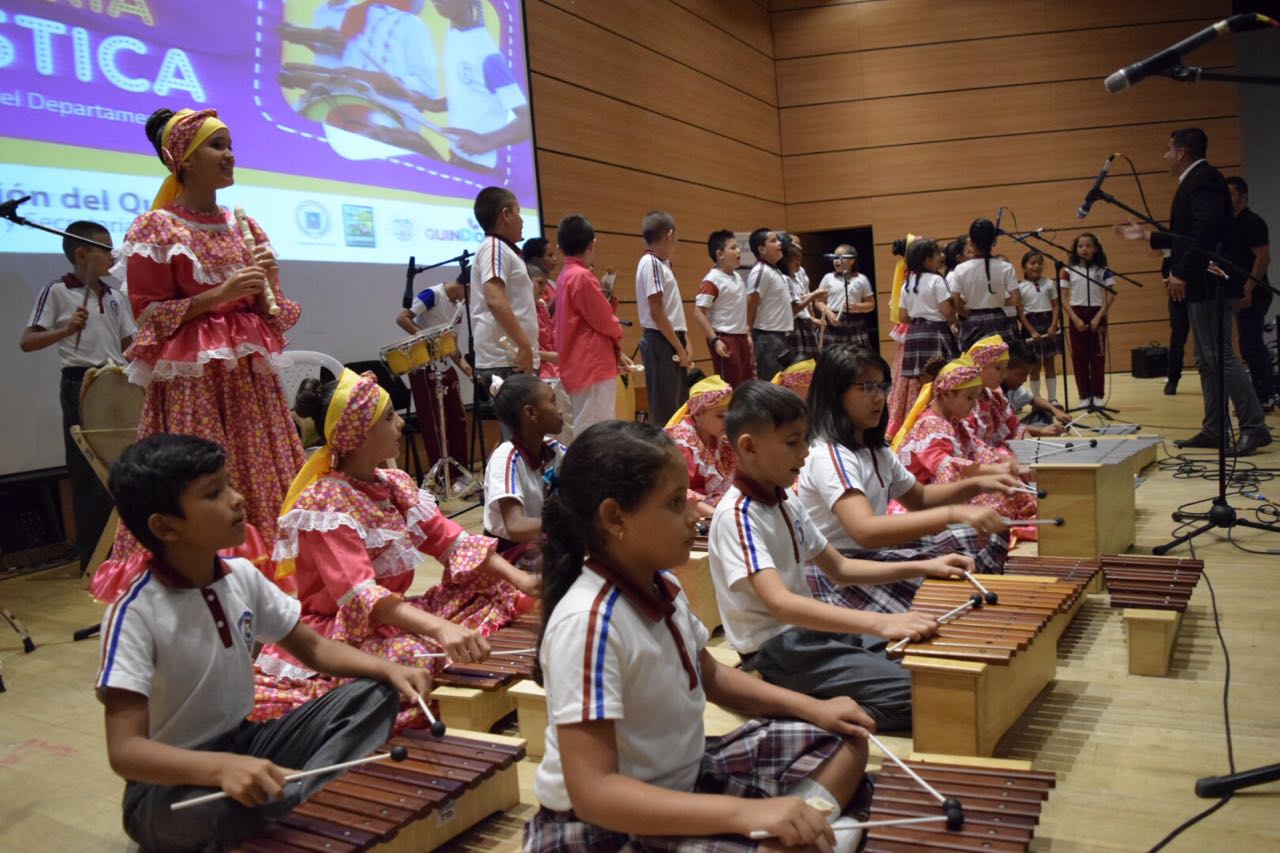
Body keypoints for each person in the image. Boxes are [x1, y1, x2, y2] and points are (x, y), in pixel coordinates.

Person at [526, 419, 875, 853]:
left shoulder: (662, 584)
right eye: (675, 503)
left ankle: (803, 832)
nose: (694, 515)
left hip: (686, 775)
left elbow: (708, 674)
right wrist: (747, 814)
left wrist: (816, 709)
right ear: (615, 517)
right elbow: (595, 793)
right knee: (798, 836)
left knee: (848, 738)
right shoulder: (589, 622)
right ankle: (804, 837)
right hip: (607, 827)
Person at [95, 433, 431, 852]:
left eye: (230, 484)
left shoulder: (241, 577)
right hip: (167, 791)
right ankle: (304, 799)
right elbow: (125, 751)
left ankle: (294, 802)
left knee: (373, 694)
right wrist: (220, 769)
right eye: (214, 493)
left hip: (247, 741)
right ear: (165, 527)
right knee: (213, 815)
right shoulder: (134, 615)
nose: (237, 499)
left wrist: (390, 670)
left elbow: (314, 648)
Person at [92, 108, 306, 601]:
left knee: (263, 469)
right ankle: (207, 585)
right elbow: (147, 317)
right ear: (183, 161)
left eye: (230, 143)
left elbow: (269, 316)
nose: (229, 154)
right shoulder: (157, 228)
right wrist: (216, 295)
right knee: (204, 473)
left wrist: (266, 281)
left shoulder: (242, 224)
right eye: (216, 145)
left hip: (247, 379)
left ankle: (275, 588)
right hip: (195, 381)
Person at [253, 370, 536, 728]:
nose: (401, 423)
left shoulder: (394, 484)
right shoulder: (325, 503)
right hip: (341, 633)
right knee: (416, 659)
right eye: (389, 417)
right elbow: (360, 596)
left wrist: (521, 579)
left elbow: (450, 539)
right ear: (359, 434)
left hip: (390, 618)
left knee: (498, 587)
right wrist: (439, 629)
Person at [708, 380, 969, 732]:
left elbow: (841, 568)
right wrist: (879, 622)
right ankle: (789, 704)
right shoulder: (737, 515)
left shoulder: (786, 500)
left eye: (805, 438)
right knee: (922, 695)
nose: (804, 452)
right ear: (749, 446)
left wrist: (928, 566)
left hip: (811, 634)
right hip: (779, 651)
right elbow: (781, 604)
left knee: (935, 664)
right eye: (792, 442)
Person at [796, 345, 1015, 614]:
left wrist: (977, 485)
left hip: (872, 555)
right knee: (940, 587)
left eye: (881, 387)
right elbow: (865, 531)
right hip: (840, 571)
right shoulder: (829, 456)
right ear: (834, 393)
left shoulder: (875, 448)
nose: (878, 398)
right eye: (866, 388)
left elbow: (920, 499)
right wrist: (956, 512)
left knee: (987, 534)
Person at [20, 220, 135, 572]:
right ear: (82, 253)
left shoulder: (115, 296)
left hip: (118, 382)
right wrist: (66, 329)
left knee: (127, 466)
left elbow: (129, 344)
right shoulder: (57, 291)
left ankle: (127, 549)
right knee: (88, 473)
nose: (113, 256)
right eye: (105, 249)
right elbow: (28, 341)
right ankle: (94, 558)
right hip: (80, 383)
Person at [894, 357, 1036, 523]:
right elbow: (946, 469)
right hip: (918, 503)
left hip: (938, 490)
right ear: (946, 394)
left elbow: (978, 449)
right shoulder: (930, 425)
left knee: (1007, 483)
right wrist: (993, 471)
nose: (974, 404)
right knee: (994, 502)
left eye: (975, 398)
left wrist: (1012, 466)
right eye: (969, 398)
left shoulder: (954, 421)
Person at [431, 0, 533, 170]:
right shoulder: (452, 33)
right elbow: (471, 95)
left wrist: (485, 141)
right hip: (456, 155)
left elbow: (527, 119)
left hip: (479, 167)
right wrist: (431, 104)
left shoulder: (486, 53)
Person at [553, 214, 629, 436]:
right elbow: (604, 321)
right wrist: (618, 331)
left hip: (578, 363)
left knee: (588, 424)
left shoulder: (564, 276)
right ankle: (592, 471)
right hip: (591, 363)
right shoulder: (582, 277)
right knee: (596, 429)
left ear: (560, 247)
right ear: (591, 244)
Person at [483, 374, 566, 571]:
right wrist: (571, 524)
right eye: (553, 401)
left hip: (540, 542)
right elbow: (515, 526)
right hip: (507, 557)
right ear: (531, 414)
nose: (560, 410)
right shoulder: (505, 458)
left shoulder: (553, 449)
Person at [395, 271, 472, 470]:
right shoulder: (432, 294)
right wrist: (427, 338)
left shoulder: (459, 307)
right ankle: (442, 477)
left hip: (445, 365)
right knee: (435, 426)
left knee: (459, 420)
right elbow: (403, 318)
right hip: (424, 368)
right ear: (468, 286)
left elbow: (452, 345)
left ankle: (461, 472)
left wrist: (467, 369)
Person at [470, 186, 539, 392]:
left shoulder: (502, 249)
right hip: (506, 359)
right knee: (523, 424)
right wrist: (524, 345)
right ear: (506, 215)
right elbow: (495, 299)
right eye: (518, 212)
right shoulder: (494, 247)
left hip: (512, 359)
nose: (522, 220)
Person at [889, 237, 956, 439]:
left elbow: (902, 316)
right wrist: (953, 319)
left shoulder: (907, 284)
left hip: (915, 335)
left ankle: (920, 425)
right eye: (937, 254)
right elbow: (946, 311)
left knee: (921, 384)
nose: (941, 257)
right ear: (927, 260)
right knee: (941, 379)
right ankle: (940, 423)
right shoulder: (937, 280)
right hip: (935, 333)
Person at [636, 210, 692, 428]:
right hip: (661, 342)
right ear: (670, 235)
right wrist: (679, 347)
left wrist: (685, 340)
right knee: (666, 413)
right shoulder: (650, 263)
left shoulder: (663, 264)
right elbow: (657, 312)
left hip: (671, 340)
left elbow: (672, 310)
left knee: (680, 407)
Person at [1227, 176, 1275, 413]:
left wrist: (1248, 287)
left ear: (1243, 197)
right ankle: (1263, 393)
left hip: (1255, 292)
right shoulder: (1229, 224)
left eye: (1231, 194)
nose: (1227, 198)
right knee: (1248, 345)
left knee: (1251, 344)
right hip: (1238, 291)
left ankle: (1265, 396)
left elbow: (1263, 257)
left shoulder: (1252, 222)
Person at [664, 374, 735, 518]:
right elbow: (677, 493)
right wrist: (720, 517)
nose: (728, 421)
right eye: (720, 416)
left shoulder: (720, 437)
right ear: (698, 414)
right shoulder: (682, 443)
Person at [1059, 233, 1114, 407]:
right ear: (1076, 249)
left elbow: (1111, 295)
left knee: (1098, 356)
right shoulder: (1068, 271)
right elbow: (1063, 297)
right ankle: (1084, 395)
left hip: (1097, 313)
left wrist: (1099, 317)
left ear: (1095, 249)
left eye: (1088, 246)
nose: (1084, 249)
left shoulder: (1103, 270)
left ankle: (1097, 394)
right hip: (1077, 313)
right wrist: (1074, 319)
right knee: (1079, 357)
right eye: (1080, 246)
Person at [694, 229, 754, 387]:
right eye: (733, 248)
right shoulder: (712, 280)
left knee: (747, 385)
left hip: (740, 338)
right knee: (730, 387)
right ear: (720, 254)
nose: (739, 251)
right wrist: (714, 340)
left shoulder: (738, 278)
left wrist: (746, 334)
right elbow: (699, 312)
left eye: (738, 247)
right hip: (724, 338)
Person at [949, 218, 1017, 348]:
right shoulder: (1006, 267)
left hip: (972, 322)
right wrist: (997, 301)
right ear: (993, 241)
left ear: (972, 243)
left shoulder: (961, 269)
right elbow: (1016, 299)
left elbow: (955, 302)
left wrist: (967, 311)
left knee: (975, 365)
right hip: (998, 318)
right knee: (1001, 364)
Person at [1015, 249, 1061, 402]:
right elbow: (1020, 313)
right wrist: (1032, 331)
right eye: (1032, 263)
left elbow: (1055, 306)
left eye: (1039, 263)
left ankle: (1053, 399)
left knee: (1050, 364)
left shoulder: (1049, 283)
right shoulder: (1020, 287)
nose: (1036, 266)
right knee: (1034, 366)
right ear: (1024, 266)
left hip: (1048, 324)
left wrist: (1054, 325)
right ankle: (1037, 400)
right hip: (1031, 325)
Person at [746, 227, 791, 381]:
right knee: (771, 385)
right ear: (762, 249)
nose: (779, 243)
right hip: (768, 339)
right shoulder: (761, 271)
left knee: (781, 384)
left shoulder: (775, 270)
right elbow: (752, 302)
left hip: (779, 337)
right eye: (773, 241)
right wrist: (748, 334)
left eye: (778, 240)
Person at [1002, 334, 1071, 431]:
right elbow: (1002, 427)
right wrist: (1040, 431)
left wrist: (1055, 411)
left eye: (1027, 375)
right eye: (1021, 375)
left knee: (1044, 412)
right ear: (1004, 368)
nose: (1025, 380)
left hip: (1011, 426)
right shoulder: (992, 391)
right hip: (1001, 432)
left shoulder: (1012, 387)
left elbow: (1033, 399)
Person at [817, 244, 875, 352]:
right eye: (834, 257)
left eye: (840, 257)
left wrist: (857, 306)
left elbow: (871, 304)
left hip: (855, 323)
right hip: (833, 322)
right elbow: (819, 301)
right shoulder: (828, 278)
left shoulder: (862, 279)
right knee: (832, 359)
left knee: (859, 359)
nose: (836, 260)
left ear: (852, 260)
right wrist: (829, 313)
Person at [780, 234, 824, 361]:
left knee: (811, 365)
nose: (798, 267)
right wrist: (814, 296)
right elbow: (794, 308)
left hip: (803, 324)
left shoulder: (797, 276)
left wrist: (811, 318)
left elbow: (804, 298)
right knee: (798, 367)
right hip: (793, 326)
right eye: (796, 263)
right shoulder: (785, 279)